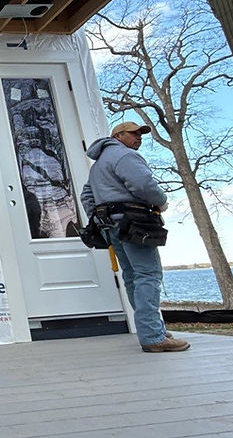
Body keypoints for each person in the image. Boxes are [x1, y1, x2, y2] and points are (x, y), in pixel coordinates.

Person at [81, 121, 190, 353]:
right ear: (118, 136)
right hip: (135, 224)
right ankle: (153, 336)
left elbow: (87, 195)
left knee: (132, 276)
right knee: (148, 275)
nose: (139, 138)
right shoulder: (124, 156)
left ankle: (151, 328)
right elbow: (143, 184)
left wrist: (99, 217)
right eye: (134, 134)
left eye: (141, 134)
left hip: (112, 226)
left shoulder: (99, 164)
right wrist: (161, 202)